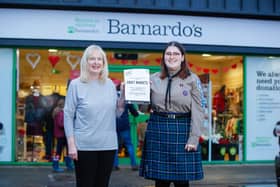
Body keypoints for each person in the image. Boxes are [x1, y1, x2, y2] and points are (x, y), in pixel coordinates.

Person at [139, 41, 205, 187]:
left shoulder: (192, 79)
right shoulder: (153, 78)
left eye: (176, 53)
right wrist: (144, 93)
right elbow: (143, 109)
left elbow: (199, 110)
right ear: (163, 57)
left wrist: (194, 138)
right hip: (158, 129)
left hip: (182, 130)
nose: (172, 57)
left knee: (181, 182)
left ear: (182, 57)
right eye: (168, 53)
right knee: (160, 182)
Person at [64, 44, 124, 187]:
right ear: (86, 62)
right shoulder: (76, 85)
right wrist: (71, 145)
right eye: (92, 59)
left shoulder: (109, 84)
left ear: (104, 63)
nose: (96, 62)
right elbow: (68, 115)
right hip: (84, 146)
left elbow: (117, 113)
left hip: (108, 145)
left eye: (99, 59)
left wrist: (123, 96)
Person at [113, 83, 139, 171]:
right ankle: (133, 164)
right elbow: (134, 112)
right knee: (129, 144)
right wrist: (136, 114)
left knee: (114, 145)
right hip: (124, 125)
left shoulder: (112, 96)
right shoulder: (127, 98)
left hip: (113, 125)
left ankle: (115, 165)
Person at [52, 97, 74, 172]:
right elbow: (60, 124)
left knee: (63, 151)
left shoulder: (58, 112)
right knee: (60, 151)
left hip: (61, 135)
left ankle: (67, 165)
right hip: (62, 135)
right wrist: (69, 124)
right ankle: (57, 166)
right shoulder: (60, 113)